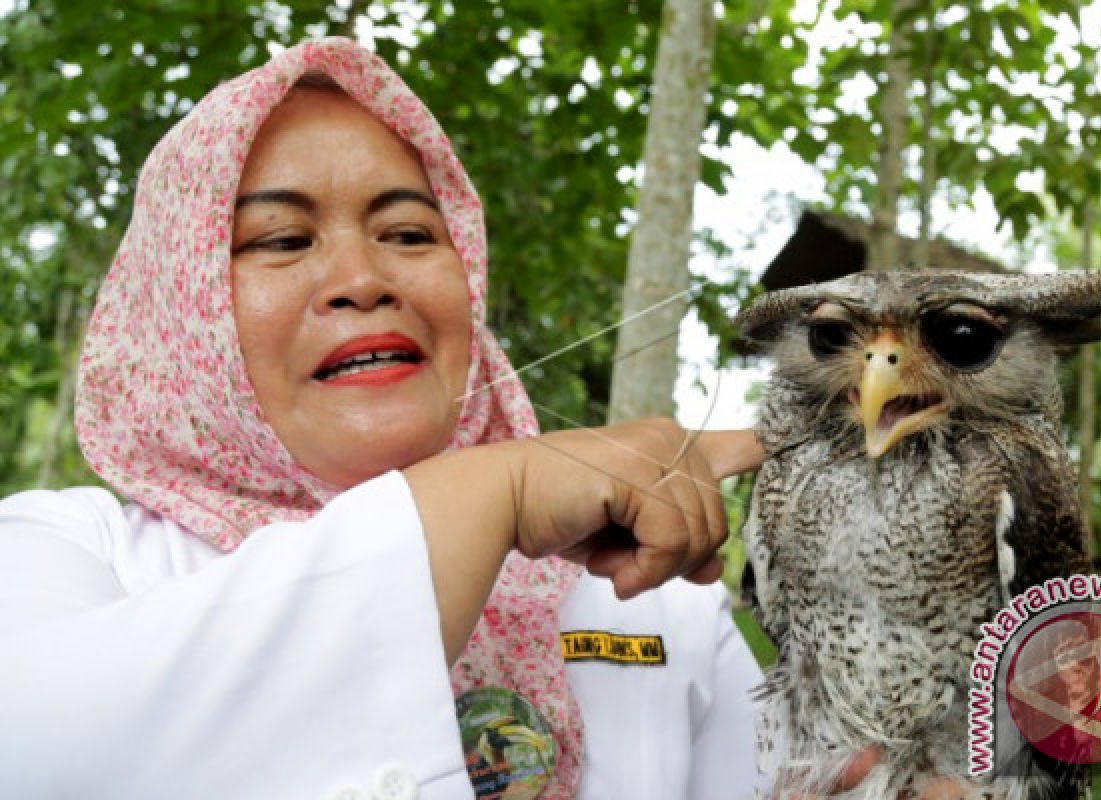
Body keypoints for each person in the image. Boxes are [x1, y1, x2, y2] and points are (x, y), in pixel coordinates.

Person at [0, 37, 767, 800]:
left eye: (407, 234)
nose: (362, 280)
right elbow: (35, 749)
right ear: (182, 307)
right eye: (282, 240)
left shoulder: (651, 590)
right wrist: (497, 488)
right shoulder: (69, 552)